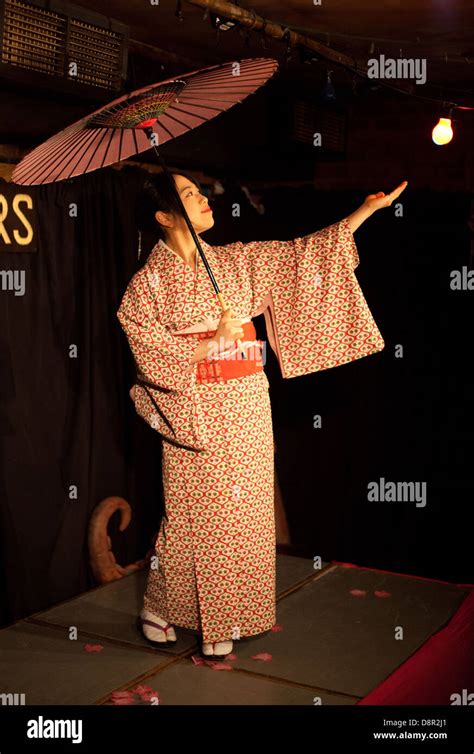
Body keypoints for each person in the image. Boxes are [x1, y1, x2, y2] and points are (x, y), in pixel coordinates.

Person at [117, 171, 407, 660]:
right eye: (189, 194)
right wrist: (211, 343)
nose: (204, 198)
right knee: (196, 515)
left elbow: (299, 257)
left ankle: (184, 610)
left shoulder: (234, 262)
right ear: (164, 217)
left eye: (200, 190)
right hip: (196, 410)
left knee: (245, 514)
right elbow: (150, 354)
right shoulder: (145, 287)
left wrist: (362, 214)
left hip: (248, 400)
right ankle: (183, 613)